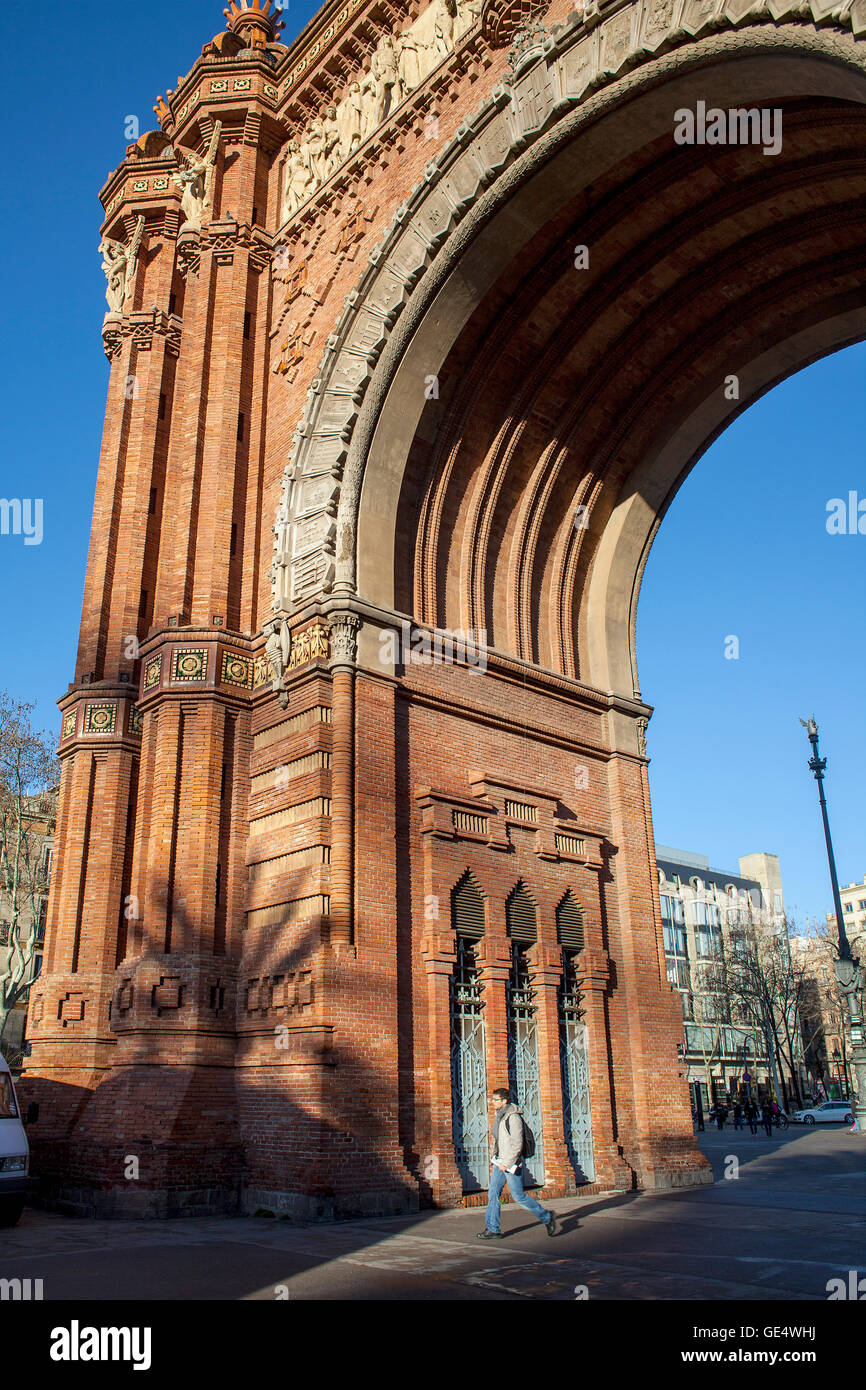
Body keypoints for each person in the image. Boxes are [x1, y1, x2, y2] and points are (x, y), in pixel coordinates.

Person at [477, 1087, 558, 1240]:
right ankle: (493, 1229)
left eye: (495, 1099)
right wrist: (496, 1157)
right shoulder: (500, 1115)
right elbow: (499, 1139)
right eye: (492, 1099)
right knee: (493, 1193)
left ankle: (547, 1217)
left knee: (519, 1196)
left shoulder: (513, 1118)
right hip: (500, 1161)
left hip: (511, 1163)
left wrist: (506, 1163)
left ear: (504, 1101)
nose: (492, 1102)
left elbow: (517, 1143)